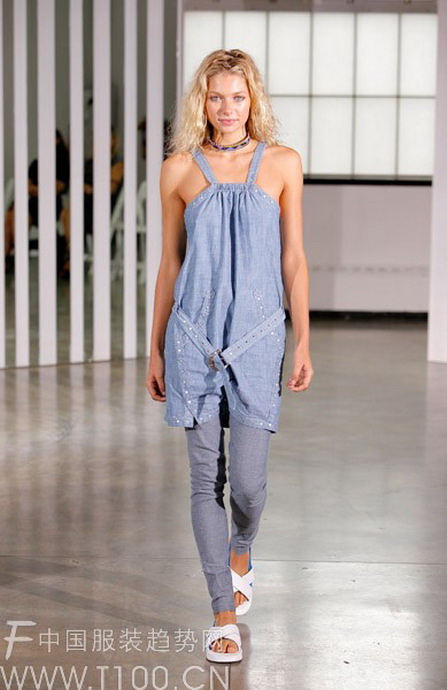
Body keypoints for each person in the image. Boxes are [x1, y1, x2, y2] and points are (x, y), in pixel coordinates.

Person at [146, 49, 313, 663]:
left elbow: (293, 257)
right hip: (192, 339)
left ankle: (242, 545)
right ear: (202, 101)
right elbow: (170, 264)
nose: (227, 108)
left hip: (259, 338)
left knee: (247, 483)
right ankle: (221, 613)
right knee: (202, 481)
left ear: (252, 100)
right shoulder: (177, 171)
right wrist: (154, 349)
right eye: (216, 97)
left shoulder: (283, 164)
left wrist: (304, 338)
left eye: (237, 97)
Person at [59, 125, 124, 278]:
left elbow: (110, 189)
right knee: (67, 212)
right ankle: (72, 255)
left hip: (102, 209)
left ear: (113, 141)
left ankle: (71, 257)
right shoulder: (90, 163)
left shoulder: (117, 163)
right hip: (85, 205)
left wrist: (90, 188)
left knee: (71, 213)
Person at [4, 129, 70, 264]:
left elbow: (59, 187)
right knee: (12, 214)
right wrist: (44, 188)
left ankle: (16, 254)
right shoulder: (36, 163)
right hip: (33, 203)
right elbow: (26, 187)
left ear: (57, 140)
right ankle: (11, 254)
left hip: (52, 204)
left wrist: (37, 189)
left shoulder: (63, 163)